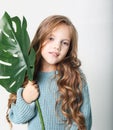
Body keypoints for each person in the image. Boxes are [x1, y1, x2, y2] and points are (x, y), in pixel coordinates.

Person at [6, 15, 92, 130]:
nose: (57, 46)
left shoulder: (74, 77)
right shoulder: (28, 75)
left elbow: (83, 121)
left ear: (69, 48)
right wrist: (26, 98)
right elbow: (17, 118)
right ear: (40, 38)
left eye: (64, 43)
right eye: (51, 38)